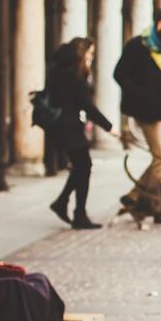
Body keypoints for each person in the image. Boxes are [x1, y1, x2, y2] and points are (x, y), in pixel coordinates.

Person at [114, 11, 161, 224]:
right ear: (159, 25)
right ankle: (155, 206)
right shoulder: (138, 46)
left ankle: (134, 197)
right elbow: (120, 74)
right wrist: (141, 97)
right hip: (147, 112)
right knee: (160, 158)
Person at [48, 38, 120, 229]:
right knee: (83, 165)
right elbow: (86, 105)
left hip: (61, 126)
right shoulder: (75, 74)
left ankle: (63, 203)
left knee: (81, 166)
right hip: (69, 127)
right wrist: (109, 127)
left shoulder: (58, 70)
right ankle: (78, 214)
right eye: (90, 53)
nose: (91, 57)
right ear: (82, 53)